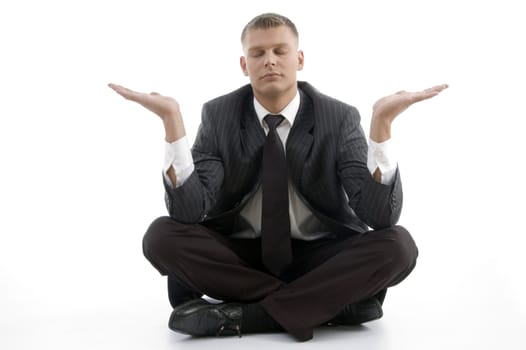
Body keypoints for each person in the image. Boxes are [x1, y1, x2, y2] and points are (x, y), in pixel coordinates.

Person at [108, 13, 447, 341]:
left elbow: (380, 217)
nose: (269, 60)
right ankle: (327, 305)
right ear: (245, 66)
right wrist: (172, 125)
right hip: (240, 258)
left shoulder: (338, 117)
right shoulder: (219, 115)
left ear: (298, 59)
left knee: (398, 246)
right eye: (258, 53)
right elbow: (188, 212)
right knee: (160, 236)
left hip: (318, 256)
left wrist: (382, 127)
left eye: (279, 51)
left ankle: (244, 316)